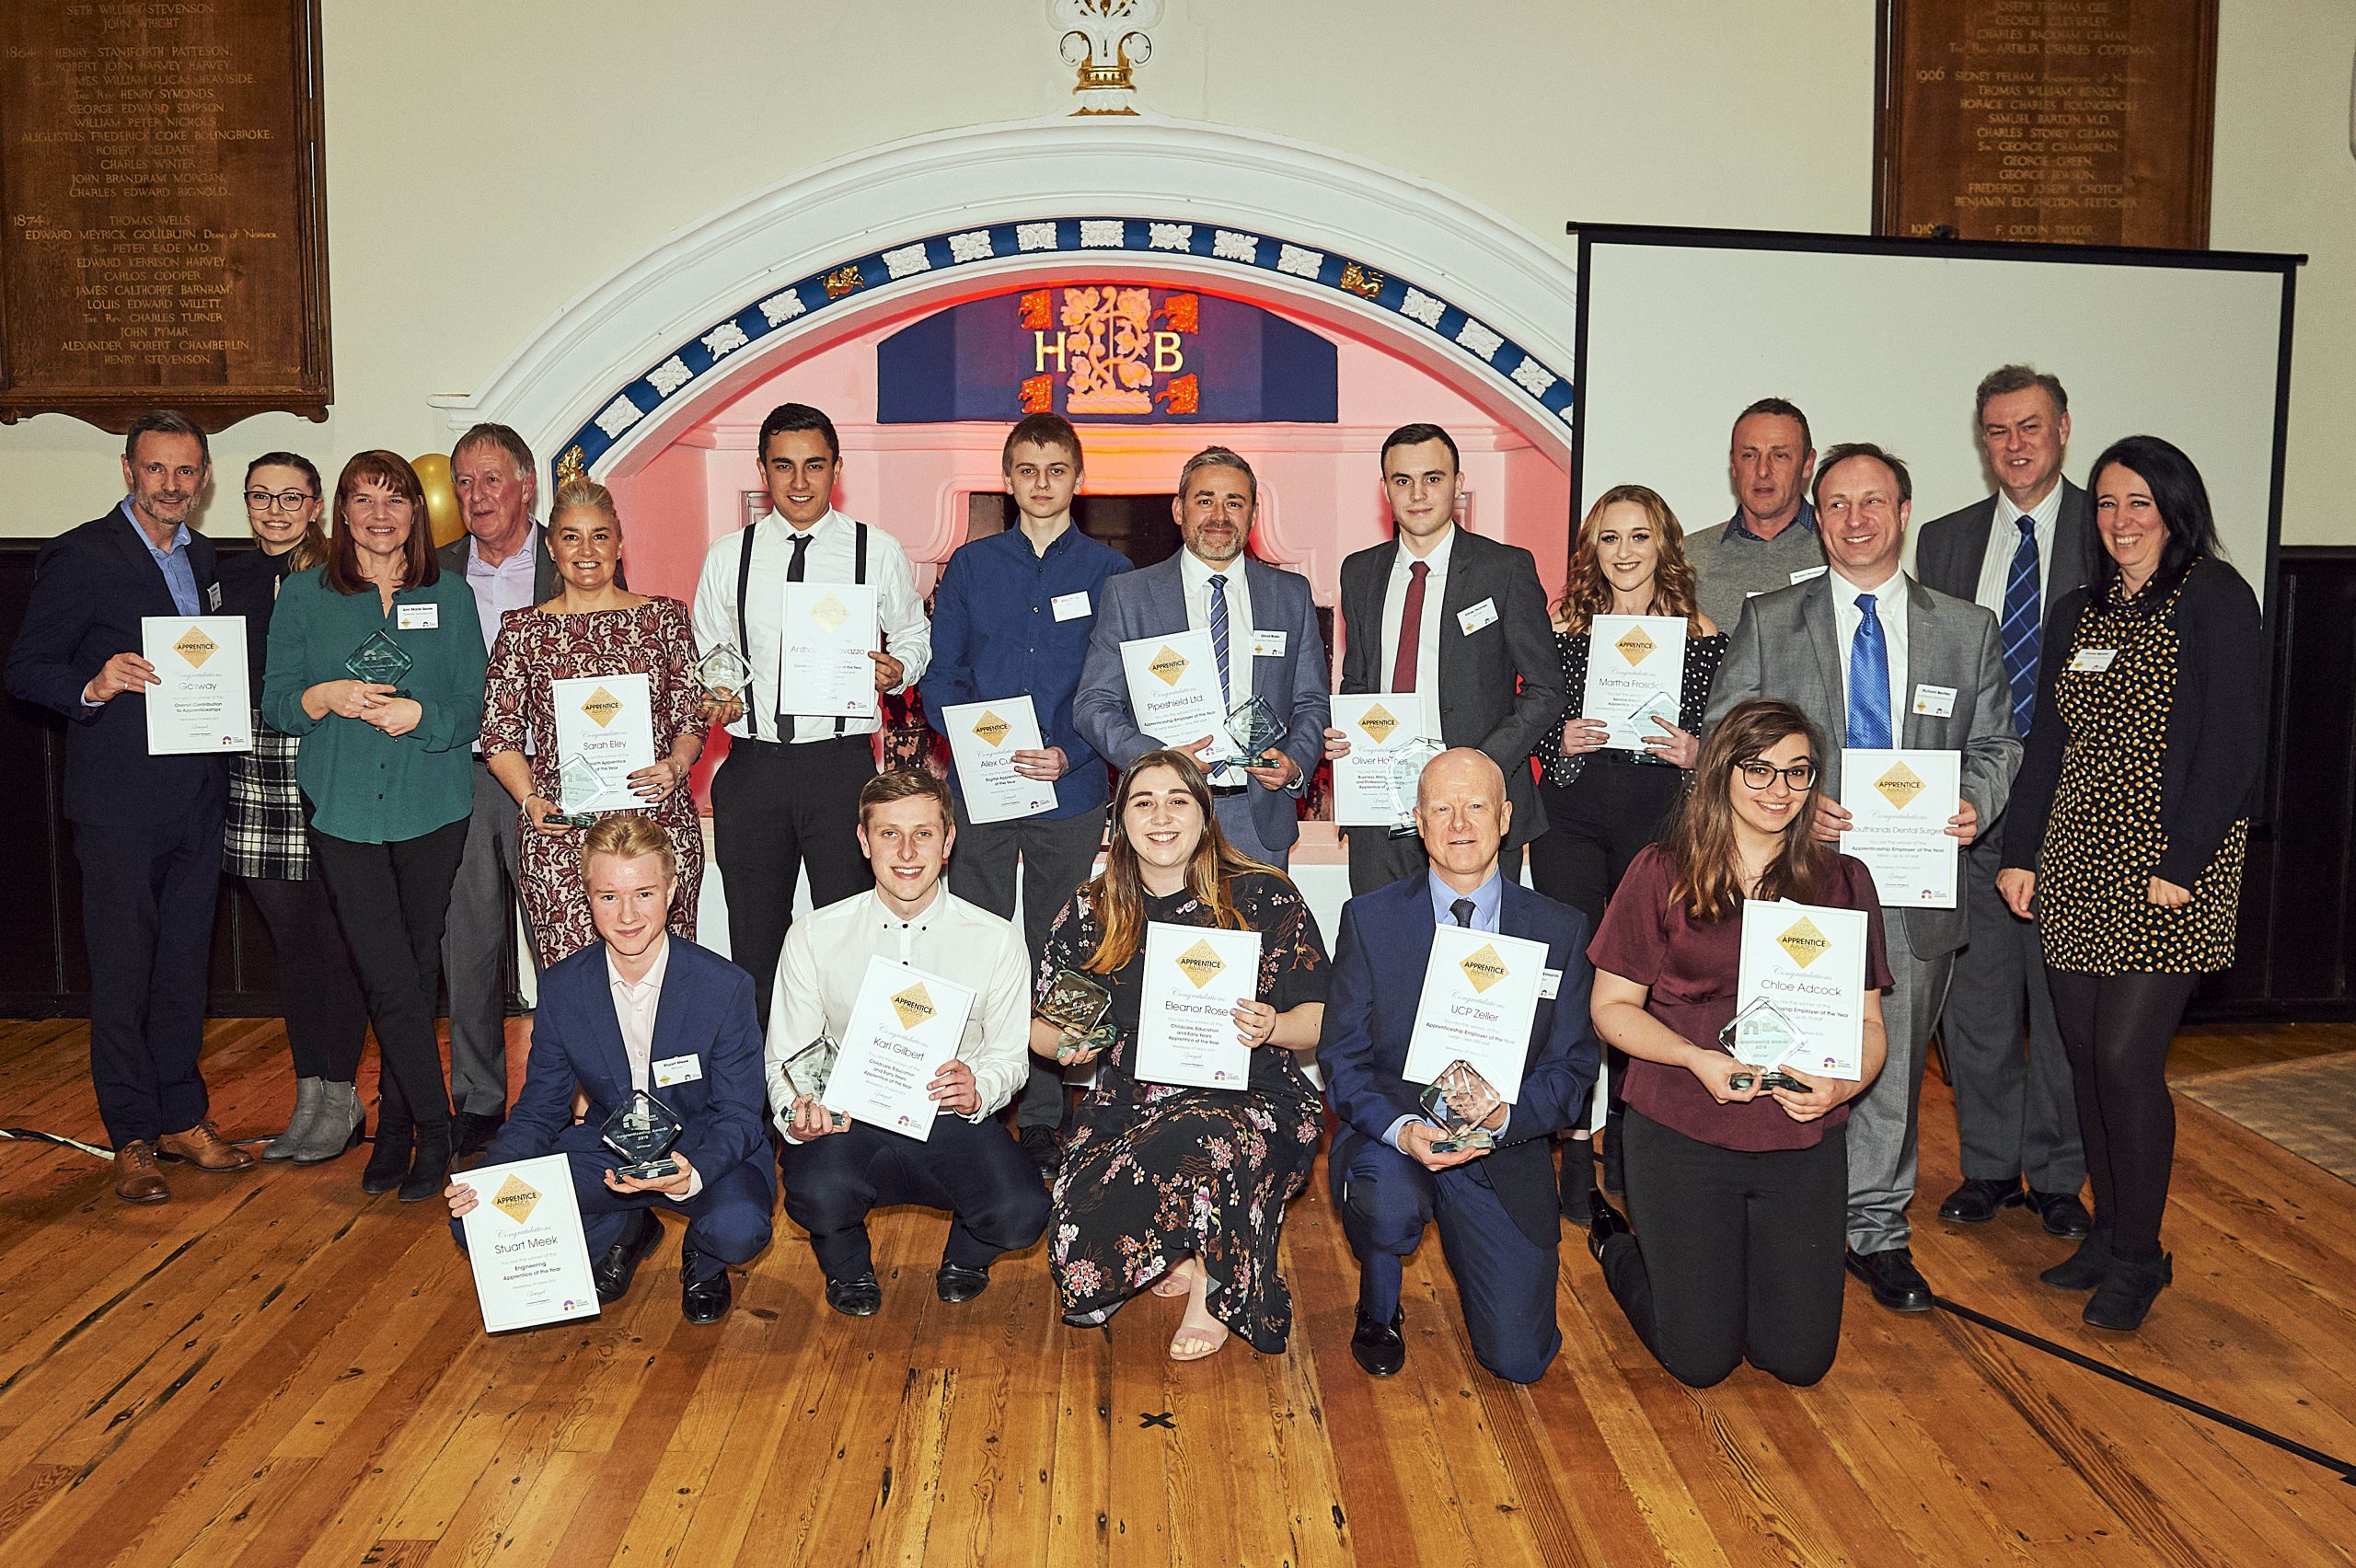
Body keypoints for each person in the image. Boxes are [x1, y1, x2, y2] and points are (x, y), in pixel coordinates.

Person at [1706, 443, 2019, 1314]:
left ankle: (1878, 1230)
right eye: (1837, 504)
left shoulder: (1967, 629)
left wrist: (1975, 803)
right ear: (1818, 515)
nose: (1855, 520)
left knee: (1892, 1063)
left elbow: (1998, 744)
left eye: (1873, 502)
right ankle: (1779, 1220)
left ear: (1904, 512)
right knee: (1781, 1044)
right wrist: (1793, 799)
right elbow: (1728, 733)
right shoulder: (1774, 618)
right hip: (1797, 878)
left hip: (1918, 892)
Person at [1999, 435, 2263, 1332]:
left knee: (2124, 1059)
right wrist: (2020, 852)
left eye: (2139, 503)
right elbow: (2047, 747)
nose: (2119, 521)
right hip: (2075, 859)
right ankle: (2109, 1235)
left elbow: (2231, 750)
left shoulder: (2216, 598)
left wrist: (2180, 868)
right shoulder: (2078, 612)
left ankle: (2142, 1258)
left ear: (2174, 509)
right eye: (2107, 504)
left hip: (2172, 870)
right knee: (2082, 1058)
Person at [1585, 698, 1894, 1387]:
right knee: (1700, 1360)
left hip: (1800, 1141)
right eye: (1758, 770)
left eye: (1797, 773)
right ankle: (1616, 1247)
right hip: (1682, 1131)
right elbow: (1610, 1008)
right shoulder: (1661, 871)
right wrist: (1696, 1058)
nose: (1778, 790)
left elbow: (1871, 1027)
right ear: (1722, 771)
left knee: (1798, 1361)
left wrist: (1845, 1086)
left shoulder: (1845, 883)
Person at [5, 409, 255, 1201]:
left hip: (197, 797)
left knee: (185, 968)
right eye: (157, 470)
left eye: (186, 472)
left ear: (203, 479)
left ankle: (182, 1116)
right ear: (128, 471)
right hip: (117, 805)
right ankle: (133, 1138)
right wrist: (91, 683)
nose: (172, 485)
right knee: (122, 972)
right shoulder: (81, 554)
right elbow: (25, 667)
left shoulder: (204, 555)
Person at [1319, 748, 1599, 1384]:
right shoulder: (1369, 919)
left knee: (1520, 1361)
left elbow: (1573, 1067)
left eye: (1476, 806)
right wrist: (1402, 1132)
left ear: (1505, 818)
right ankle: (1379, 1305)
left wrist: (1505, 1116)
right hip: (1394, 1138)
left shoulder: (1561, 929)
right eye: (1441, 809)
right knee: (1386, 1203)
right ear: (1418, 822)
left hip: (1503, 1146)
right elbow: (1343, 1059)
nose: (1460, 824)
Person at [1039, 749, 1329, 1360]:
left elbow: (1319, 1021)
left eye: (1178, 800)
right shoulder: (1093, 911)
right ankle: (1178, 1241)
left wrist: (1272, 1024)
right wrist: (1072, 1043)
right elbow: (1047, 1033)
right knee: (1076, 1272)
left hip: (1251, 1100)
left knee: (1205, 1134)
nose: (1161, 815)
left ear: (1204, 815)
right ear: (1120, 821)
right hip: (1130, 1104)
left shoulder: (1265, 897)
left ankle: (1215, 1282)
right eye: (1143, 802)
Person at [262, 450, 487, 1205]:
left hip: (433, 807)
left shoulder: (449, 596)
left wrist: (420, 715)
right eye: (365, 499)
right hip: (346, 810)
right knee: (386, 972)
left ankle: (396, 1131)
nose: (381, 514)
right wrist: (324, 694)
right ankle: (437, 1125)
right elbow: (278, 705)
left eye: (396, 500)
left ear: (415, 516)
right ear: (342, 512)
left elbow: (470, 706)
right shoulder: (304, 596)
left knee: (415, 971)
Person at [445, 815, 773, 1324]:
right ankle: (630, 1227)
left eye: (643, 893)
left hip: (703, 1148)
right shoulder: (563, 988)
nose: (626, 916)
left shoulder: (724, 986)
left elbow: (739, 1114)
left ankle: (703, 1263)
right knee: (475, 1220)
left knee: (739, 1228)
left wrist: (691, 1175)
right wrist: (490, 1180)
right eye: (608, 896)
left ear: (672, 889)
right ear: (588, 896)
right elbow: (538, 1110)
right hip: (608, 1152)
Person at [919, 413, 1131, 1171]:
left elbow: (1117, 684)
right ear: (1006, 481)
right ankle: (968, 1094)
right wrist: (977, 740)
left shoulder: (1110, 572)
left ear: (1079, 480)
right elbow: (938, 679)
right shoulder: (971, 567)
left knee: (1055, 947)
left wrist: (1071, 752)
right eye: (1027, 470)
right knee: (972, 941)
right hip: (980, 794)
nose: (1041, 484)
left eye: (1056, 470)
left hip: (1070, 793)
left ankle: (1043, 1111)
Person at [1916, 366, 2092, 1238]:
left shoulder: (2113, 528)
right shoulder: (1946, 541)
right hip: (1967, 807)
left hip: (2075, 812)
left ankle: (2060, 1176)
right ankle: (1988, 1167)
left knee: (2062, 1014)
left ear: (2063, 428)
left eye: (2029, 427)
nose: (2014, 446)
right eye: (1997, 432)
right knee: (1976, 1004)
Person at [768, 770, 1047, 1316]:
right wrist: (795, 1113)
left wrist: (979, 1088)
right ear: (863, 840)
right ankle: (845, 1261)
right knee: (816, 1193)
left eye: (923, 833)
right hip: (848, 1119)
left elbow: (1007, 1057)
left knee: (1022, 1211)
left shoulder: (996, 939)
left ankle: (967, 1255)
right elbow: (787, 1056)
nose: (906, 851)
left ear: (948, 842)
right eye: (889, 834)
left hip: (948, 1117)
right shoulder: (815, 934)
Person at [690, 402, 931, 1032]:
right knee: (755, 945)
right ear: (763, 471)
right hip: (753, 769)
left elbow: (914, 633)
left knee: (854, 940)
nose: (799, 482)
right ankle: (767, 1101)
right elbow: (712, 653)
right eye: (784, 466)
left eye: (814, 466)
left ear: (837, 470)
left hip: (841, 773)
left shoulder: (874, 551)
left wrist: (897, 668)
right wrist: (719, 693)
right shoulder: (727, 556)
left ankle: (854, 1092)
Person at [1526, 484, 1725, 1210]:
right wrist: (1560, 736)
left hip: (1661, 822)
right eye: (1610, 538)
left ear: (1664, 544)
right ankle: (1575, 1146)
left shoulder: (1703, 636)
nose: (1625, 552)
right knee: (1576, 980)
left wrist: (1696, 751)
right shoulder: (1561, 627)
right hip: (1571, 817)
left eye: (1639, 536)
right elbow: (1530, 715)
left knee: (1651, 984)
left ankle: (1636, 1142)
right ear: (1592, 550)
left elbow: (1724, 743)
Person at [1322, 422, 1564, 894]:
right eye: (1402, 480)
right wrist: (1347, 736)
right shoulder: (1360, 571)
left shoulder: (1505, 569)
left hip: (1475, 809)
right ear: (1385, 488)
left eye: (1433, 478)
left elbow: (1547, 689)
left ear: (1457, 482)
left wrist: (1479, 764)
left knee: (1470, 955)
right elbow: (1359, 680)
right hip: (1381, 808)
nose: (1418, 494)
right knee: (1385, 949)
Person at [481, 477, 705, 966]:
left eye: (600, 536)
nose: (586, 550)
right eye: (571, 536)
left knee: (663, 980)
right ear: (551, 545)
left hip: (657, 826)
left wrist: (677, 764)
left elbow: (691, 714)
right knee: (573, 990)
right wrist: (531, 800)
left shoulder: (665, 620)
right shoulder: (522, 630)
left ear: (620, 544)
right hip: (561, 836)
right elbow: (498, 736)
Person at [217, 452, 371, 1163]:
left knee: (334, 942)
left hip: (322, 761)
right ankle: (309, 1094)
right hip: (250, 764)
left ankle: (341, 1096)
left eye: (290, 497)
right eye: (260, 497)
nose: (274, 510)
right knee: (294, 948)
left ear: (316, 504)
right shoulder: (223, 577)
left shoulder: (339, 579)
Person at [1073, 447, 1329, 870]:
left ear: (1253, 513)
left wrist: (1295, 764)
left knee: (1260, 935)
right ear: (1179, 510)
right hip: (1164, 818)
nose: (1219, 515)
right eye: (1205, 500)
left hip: (1258, 818)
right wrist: (1158, 761)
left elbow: (1311, 703)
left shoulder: (1290, 594)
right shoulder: (1130, 595)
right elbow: (1092, 706)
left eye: (1235, 502)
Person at [435, 422, 559, 1157]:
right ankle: (479, 1099)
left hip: (551, 780)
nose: (476, 497)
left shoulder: (568, 560)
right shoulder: (437, 571)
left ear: (526, 486)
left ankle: (558, 1092)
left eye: (491, 480)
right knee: (469, 944)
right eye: (465, 483)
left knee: (560, 944)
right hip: (462, 777)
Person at [1684, 398, 1827, 632]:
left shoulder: (1840, 549)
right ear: (1733, 463)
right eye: (1749, 455)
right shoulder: (1688, 558)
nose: (1763, 471)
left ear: (1807, 464)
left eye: (1780, 456)